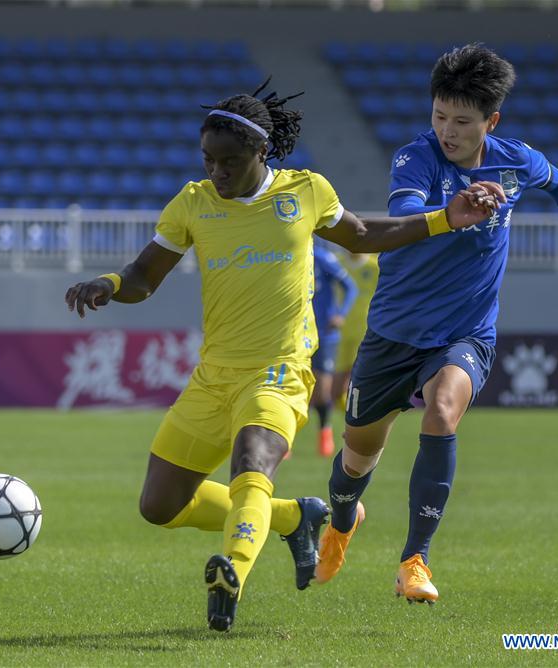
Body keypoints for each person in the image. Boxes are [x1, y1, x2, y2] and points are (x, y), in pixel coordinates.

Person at [65, 79, 505, 631]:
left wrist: (445, 217)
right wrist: (109, 283)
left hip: (279, 371)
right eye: (208, 160)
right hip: (212, 377)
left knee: (252, 463)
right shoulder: (193, 203)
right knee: (160, 505)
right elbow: (142, 277)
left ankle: (232, 576)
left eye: (228, 161)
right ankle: (295, 518)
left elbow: (365, 233)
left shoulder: (306, 192)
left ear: (261, 153)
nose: (216, 172)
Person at [315, 44, 558, 605]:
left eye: (462, 121)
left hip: (464, 332)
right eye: (439, 116)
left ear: (490, 122)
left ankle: (414, 560)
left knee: (444, 411)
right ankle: (342, 519)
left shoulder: (513, 160)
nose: (447, 131)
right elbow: (404, 218)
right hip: (394, 332)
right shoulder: (416, 158)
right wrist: (458, 209)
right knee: (356, 460)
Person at [310, 238, 358, 457]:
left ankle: (324, 430)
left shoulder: (321, 257)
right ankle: (285, 440)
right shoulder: (284, 258)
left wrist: (340, 314)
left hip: (325, 334)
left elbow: (350, 287)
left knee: (321, 391)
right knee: (294, 387)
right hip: (296, 333)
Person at [332, 251, 379, 411]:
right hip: (339, 331)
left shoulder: (376, 265)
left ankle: (363, 415)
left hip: (366, 330)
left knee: (360, 378)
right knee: (337, 388)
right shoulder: (335, 262)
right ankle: (351, 415)